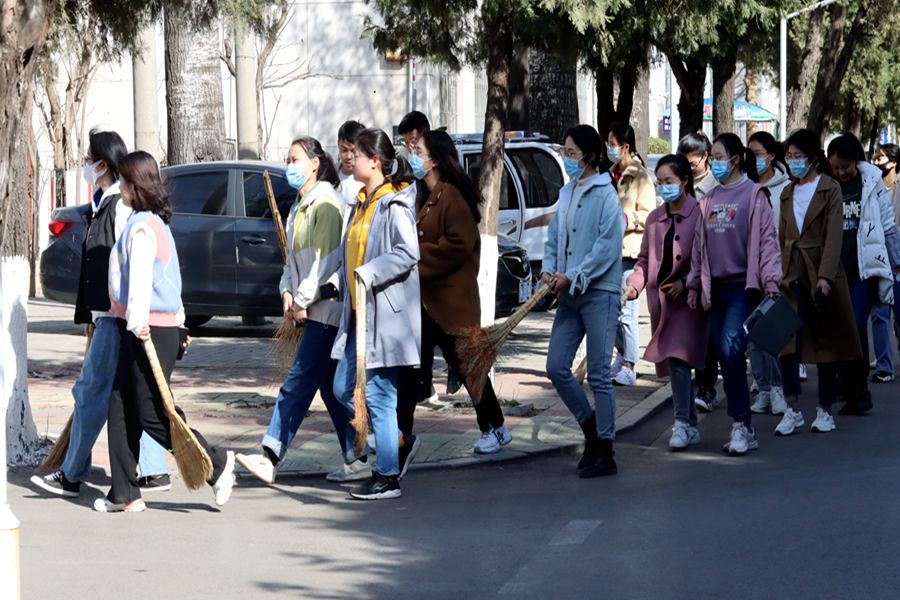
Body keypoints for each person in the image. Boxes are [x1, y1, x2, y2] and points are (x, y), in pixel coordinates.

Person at [31, 129, 170, 499]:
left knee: (91, 391)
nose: (85, 164)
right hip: (110, 315)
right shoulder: (103, 203)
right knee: (129, 394)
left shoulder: (121, 208)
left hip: (117, 317)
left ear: (103, 165)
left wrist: (122, 314)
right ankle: (153, 469)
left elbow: (132, 265)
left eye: (88, 158)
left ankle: (72, 474)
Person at [97, 151, 235, 513]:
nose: (120, 187)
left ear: (134, 185)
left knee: (151, 412)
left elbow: (142, 281)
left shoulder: (144, 227)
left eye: (124, 181)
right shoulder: (150, 221)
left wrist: (138, 324)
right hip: (146, 326)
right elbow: (170, 278)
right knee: (120, 405)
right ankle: (124, 492)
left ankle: (216, 462)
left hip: (147, 329)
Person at [236, 137, 357, 485]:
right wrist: (286, 292)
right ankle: (361, 454)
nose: (289, 165)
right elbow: (291, 261)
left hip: (326, 310)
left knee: (297, 383)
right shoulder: (299, 206)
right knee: (329, 390)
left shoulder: (326, 204)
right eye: (288, 160)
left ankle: (270, 454)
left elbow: (324, 262)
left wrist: (301, 300)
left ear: (315, 163)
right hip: (311, 307)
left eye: (295, 159)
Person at [396, 129, 512, 459]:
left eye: (418, 151)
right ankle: (401, 435)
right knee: (410, 371)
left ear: (434, 159)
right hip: (424, 303)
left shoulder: (451, 196)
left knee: (469, 368)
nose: (413, 156)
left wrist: (416, 256)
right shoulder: (420, 194)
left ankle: (495, 427)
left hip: (452, 304)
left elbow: (460, 245)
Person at [331, 128, 421, 500]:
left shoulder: (393, 203)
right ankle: (397, 442)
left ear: (376, 161)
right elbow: (350, 254)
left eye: (358, 154)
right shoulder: (360, 203)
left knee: (380, 395)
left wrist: (369, 273)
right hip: (357, 315)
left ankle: (387, 476)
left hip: (384, 317)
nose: (351, 159)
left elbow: (408, 252)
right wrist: (337, 281)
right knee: (342, 388)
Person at [686, 133, 781, 456]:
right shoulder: (708, 199)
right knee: (725, 354)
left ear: (736, 160)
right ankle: (744, 424)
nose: (714, 162)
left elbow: (768, 242)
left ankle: (740, 423)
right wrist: (694, 284)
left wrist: (771, 280)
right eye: (712, 157)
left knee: (729, 349)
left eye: (718, 157)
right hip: (715, 288)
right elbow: (698, 248)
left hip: (743, 287)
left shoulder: (755, 195)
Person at [543, 124, 624, 478]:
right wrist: (549, 271)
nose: (567, 158)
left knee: (600, 375)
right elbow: (553, 239)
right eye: (565, 152)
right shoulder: (567, 193)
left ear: (590, 156)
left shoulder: (606, 196)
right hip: (568, 294)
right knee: (556, 366)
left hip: (599, 293)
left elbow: (606, 248)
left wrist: (574, 275)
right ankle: (590, 427)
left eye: (572, 153)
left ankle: (605, 449)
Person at [775, 129, 863, 436]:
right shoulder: (787, 193)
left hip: (820, 272)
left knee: (825, 343)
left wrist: (825, 276)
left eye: (798, 156)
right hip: (790, 273)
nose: (793, 162)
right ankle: (791, 408)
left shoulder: (830, 189)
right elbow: (782, 236)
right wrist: (777, 273)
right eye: (789, 157)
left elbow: (834, 237)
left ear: (813, 158)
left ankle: (825, 409)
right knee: (785, 342)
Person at [624, 155, 707, 450]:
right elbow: (644, 260)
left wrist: (687, 282)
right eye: (660, 182)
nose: (664, 187)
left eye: (669, 181)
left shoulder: (699, 213)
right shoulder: (654, 219)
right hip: (662, 302)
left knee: (678, 358)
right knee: (675, 361)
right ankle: (689, 423)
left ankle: (681, 423)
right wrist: (634, 285)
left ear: (684, 181)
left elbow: (704, 258)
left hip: (689, 301)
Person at [825, 133, 896, 412]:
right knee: (837, 327)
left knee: (855, 323)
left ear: (856, 161)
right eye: (835, 167)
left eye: (845, 167)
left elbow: (887, 224)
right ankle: (844, 382)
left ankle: (859, 390)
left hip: (863, 269)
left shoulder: (871, 181)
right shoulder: (826, 184)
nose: (841, 172)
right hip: (833, 269)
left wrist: (895, 263)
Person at [607, 122, 655, 387]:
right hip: (609, 252)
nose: (609, 149)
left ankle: (630, 365)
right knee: (610, 310)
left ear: (625, 147)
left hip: (630, 251)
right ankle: (622, 354)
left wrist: (627, 219)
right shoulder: (610, 175)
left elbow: (649, 215)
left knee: (627, 311)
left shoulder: (640, 176)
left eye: (612, 145)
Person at [746, 131, 790, 415]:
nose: (754, 159)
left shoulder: (785, 189)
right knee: (753, 334)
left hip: (777, 271)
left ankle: (777, 389)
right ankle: (762, 388)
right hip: (748, 272)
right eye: (749, 154)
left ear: (772, 156)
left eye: (758, 153)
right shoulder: (745, 188)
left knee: (773, 334)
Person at [869, 143, 900, 379]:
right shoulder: (873, 187)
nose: (876, 162)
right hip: (879, 257)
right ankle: (884, 366)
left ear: (894, 162)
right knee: (879, 314)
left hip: (898, 259)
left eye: (880, 158)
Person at [337, 120, 366, 211]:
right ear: (338, 144)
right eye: (344, 150)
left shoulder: (367, 178)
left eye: (354, 151)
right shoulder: (330, 173)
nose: (348, 156)